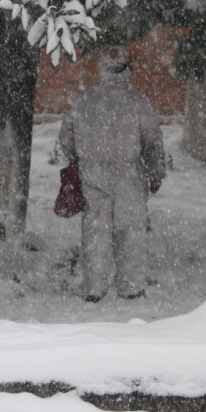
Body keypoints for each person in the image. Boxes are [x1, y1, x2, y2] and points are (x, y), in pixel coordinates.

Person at [57, 46, 166, 303]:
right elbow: (152, 141)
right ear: (127, 70)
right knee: (131, 231)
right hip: (129, 174)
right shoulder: (137, 101)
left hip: (92, 174)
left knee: (96, 231)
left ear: (102, 69)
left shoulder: (86, 101)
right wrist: (155, 172)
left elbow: (65, 137)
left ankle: (94, 287)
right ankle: (131, 286)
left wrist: (79, 159)